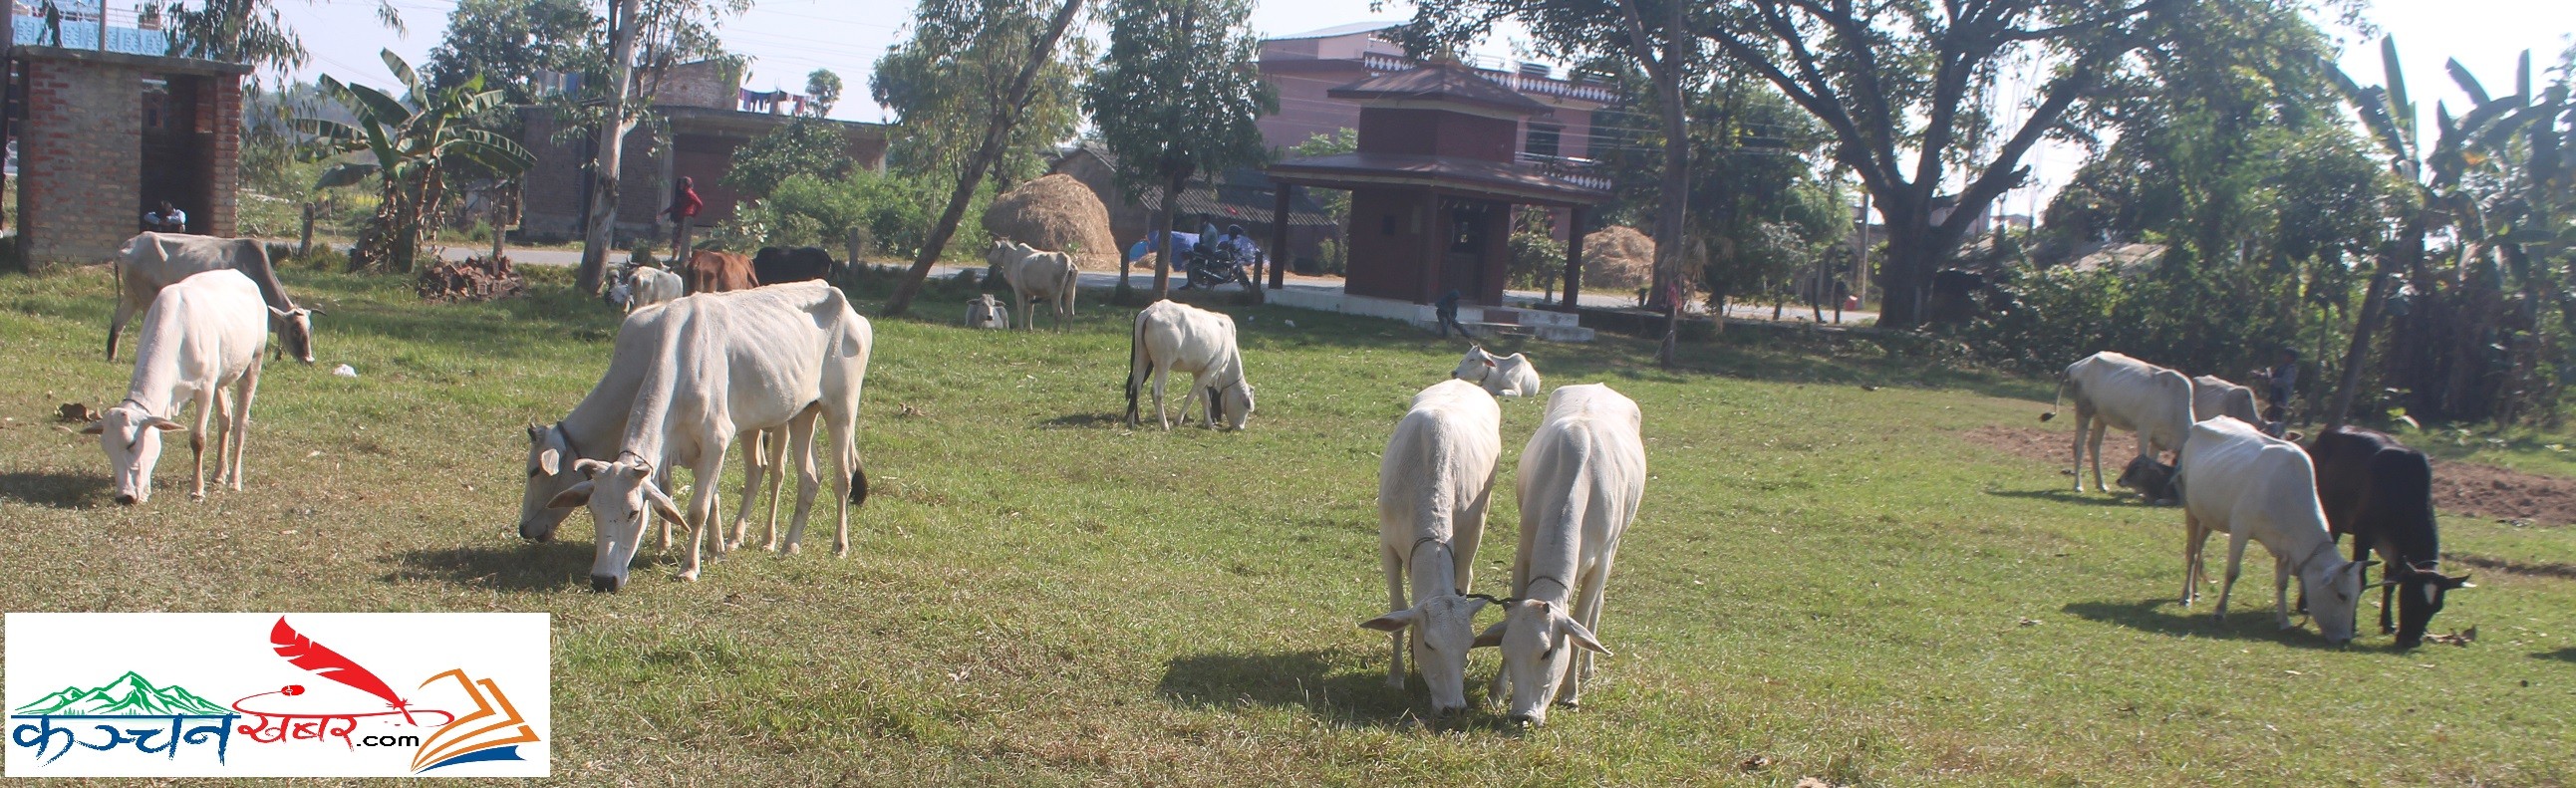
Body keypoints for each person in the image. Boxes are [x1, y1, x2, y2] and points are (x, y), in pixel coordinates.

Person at [662, 176, 704, 257]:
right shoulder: (682, 194)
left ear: (686, 184)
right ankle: (684, 257)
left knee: (678, 238)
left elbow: (700, 204)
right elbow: (675, 206)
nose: (680, 185)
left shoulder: (689, 193)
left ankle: (674, 259)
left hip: (685, 219)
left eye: (682, 183)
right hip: (680, 219)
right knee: (681, 238)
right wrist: (663, 213)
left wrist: (693, 214)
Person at [2258, 349, 2299, 424]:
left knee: (2277, 419)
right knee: (2270, 417)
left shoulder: (2291, 369)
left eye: (2286, 355)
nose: (2284, 356)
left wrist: (2275, 380)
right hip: (2275, 396)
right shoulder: (2281, 367)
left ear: (2291, 358)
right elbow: (2271, 375)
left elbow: (2286, 382)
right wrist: (2260, 375)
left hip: (2281, 397)